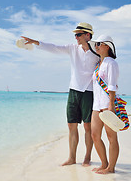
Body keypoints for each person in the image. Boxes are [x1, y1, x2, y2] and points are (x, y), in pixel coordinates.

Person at [22, 22, 100, 166]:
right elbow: (54, 48)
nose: (75, 37)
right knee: (71, 125)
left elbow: (107, 64)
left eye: (78, 34)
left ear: (88, 35)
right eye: (75, 34)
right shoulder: (72, 48)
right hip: (73, 90)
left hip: (89, 92)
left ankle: (87, 157)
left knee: (88, 127)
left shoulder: (97, 50)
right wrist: (36, 42)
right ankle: (72, 158)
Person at [89, 34, 120, 174]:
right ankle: (104, 163)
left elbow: (112, 85)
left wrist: (111, 105)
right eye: (95, 44)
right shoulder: (98, 65)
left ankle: (111, 168)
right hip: (96, 105)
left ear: (107, 46)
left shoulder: (111, 63)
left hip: (107, 104)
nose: (96, 46)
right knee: (95, 135)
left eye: (99, 44)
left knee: (111, 137)